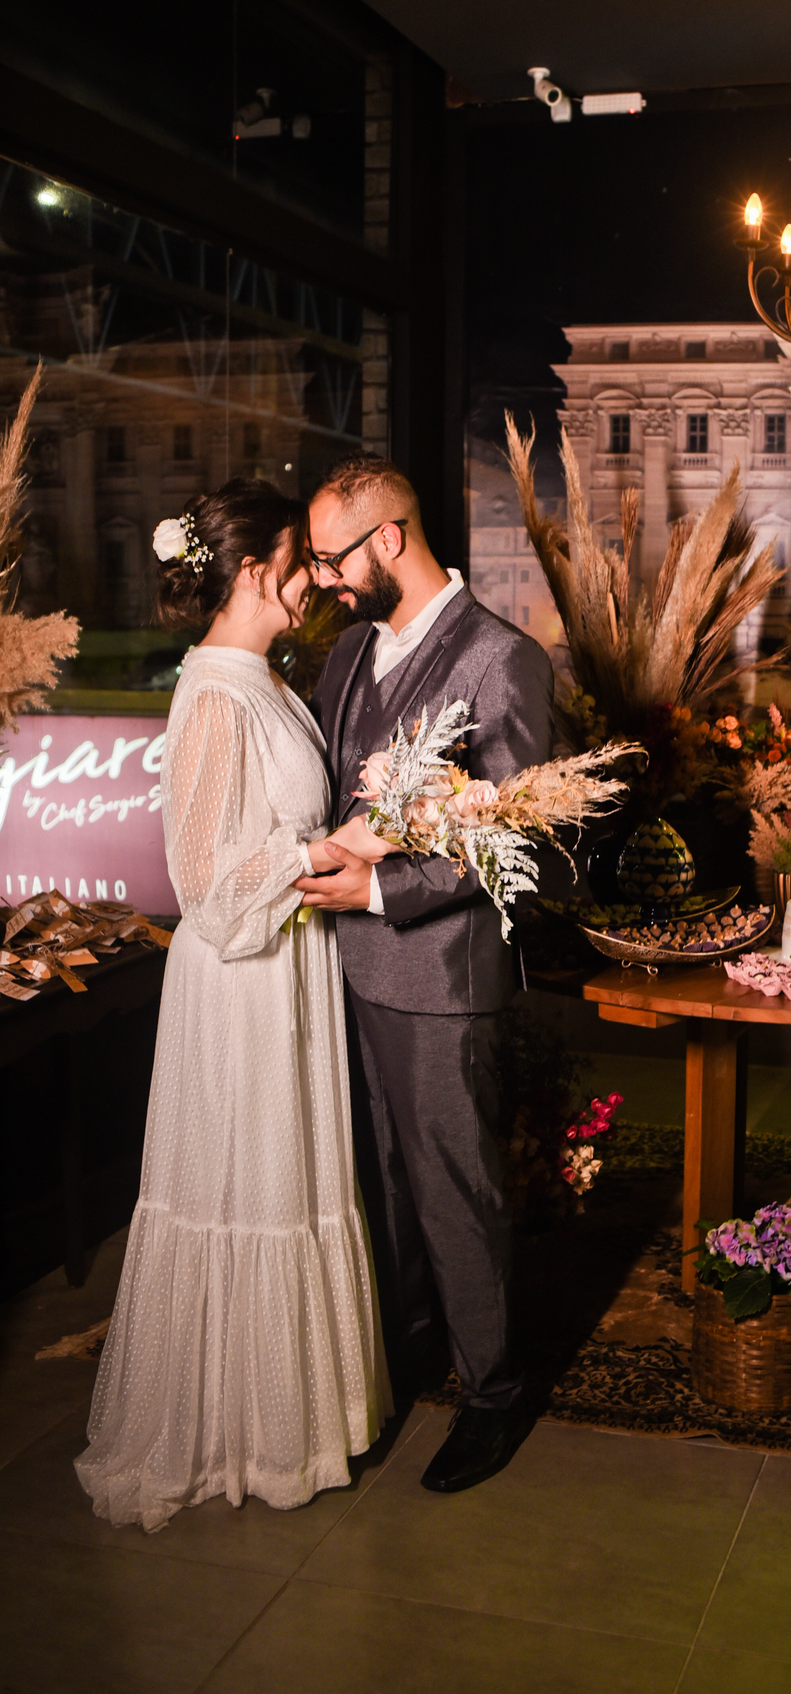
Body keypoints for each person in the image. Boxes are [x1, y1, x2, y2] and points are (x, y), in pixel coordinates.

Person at [75, 481, 390, 1533]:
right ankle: (237, 1428)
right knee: (246, 1190)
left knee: (288, 1183)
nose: (316, 577)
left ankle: (291, 1417)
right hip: (243, 982)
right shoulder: (214, 690)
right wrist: (322, 849)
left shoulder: (260, 677)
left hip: (287, 967)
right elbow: (206, 882)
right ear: (254, 571)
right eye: (301, 559)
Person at [297, 452, 554, 1495]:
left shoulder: (503, 659)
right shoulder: (348, 653)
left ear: (388, 538)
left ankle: (494, 1395)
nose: (321, 579)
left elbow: (522, 846)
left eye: (330, 557)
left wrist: (381, 893)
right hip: (340, 978)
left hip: (444, 981)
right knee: (382, 1192)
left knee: (456, 1194)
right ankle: (403, 1366)